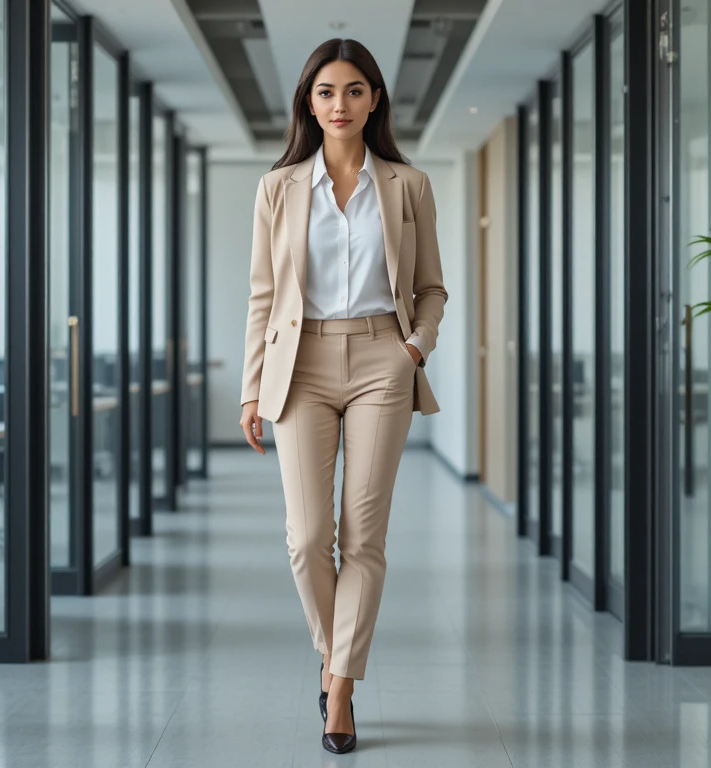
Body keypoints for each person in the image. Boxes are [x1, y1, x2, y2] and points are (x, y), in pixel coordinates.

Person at [238, 37, 447, 755]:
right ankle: (337, 657)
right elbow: (263, 297)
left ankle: (342, 692)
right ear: (308, 101)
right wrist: (250, 389)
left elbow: (431, 288)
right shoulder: (278, 188)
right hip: (299, 364)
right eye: (326, 91)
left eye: (354, 90)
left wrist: (413, 348)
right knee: (304, 541)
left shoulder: (408, 184)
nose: (340, 104)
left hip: (382, 360)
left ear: (375, 99)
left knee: (363, 538)